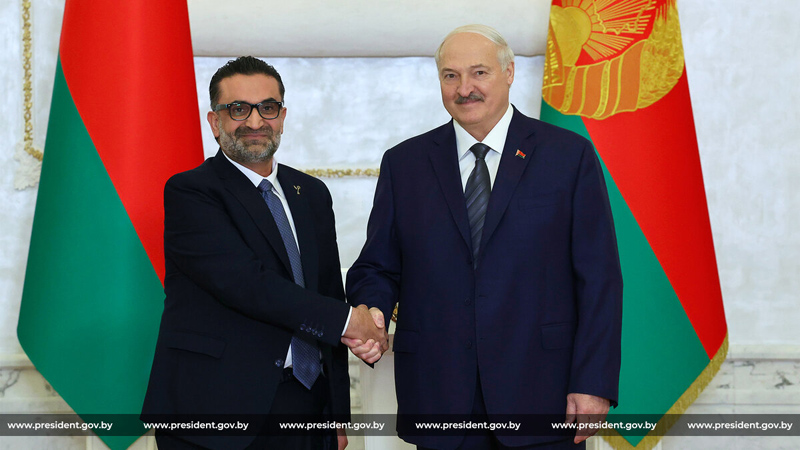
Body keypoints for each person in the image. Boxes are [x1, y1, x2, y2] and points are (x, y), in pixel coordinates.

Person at [344, 25, 623, 449]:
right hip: (438, 396)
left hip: (542, 393)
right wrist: (374, 311)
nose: (464, 88)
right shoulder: (405, 164)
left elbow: (599, 279)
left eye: (479, 72)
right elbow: (376, 266)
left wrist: (593, 382)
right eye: (450, 75)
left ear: (509, 73)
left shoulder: (568, 155)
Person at [141, 56, 387, 450]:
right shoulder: (192, 191)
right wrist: (350, 322)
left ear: (282, 116)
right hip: (215, 409)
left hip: (306, 405)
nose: (255, 122)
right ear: (215, 121)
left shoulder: (311, 194)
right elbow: (247, 284)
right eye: (239, 109)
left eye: (267, 108)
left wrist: (337, 414)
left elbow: (327, 291)